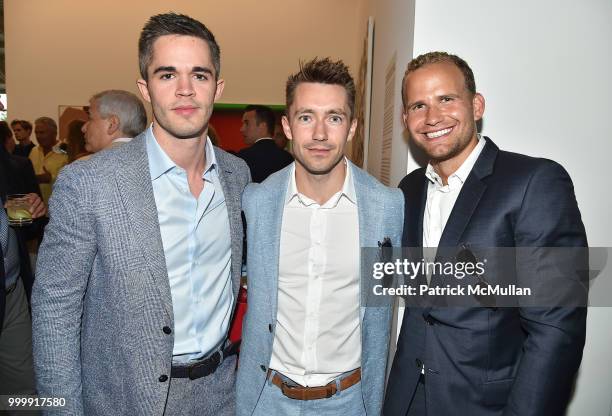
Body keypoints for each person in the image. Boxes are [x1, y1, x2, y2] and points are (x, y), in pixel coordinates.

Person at [32, 12, 250, 415]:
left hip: (223, 394)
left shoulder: (238, 175)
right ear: (145, 88)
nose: (185, 90)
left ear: (217, 87)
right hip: (124, 399)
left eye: (199, 75)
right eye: (167, 75)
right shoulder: (90, 182)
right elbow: (54, 309)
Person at [383, 52, 588, 416]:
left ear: (476, 105)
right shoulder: (409, 189)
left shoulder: (534, 183)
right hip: (408, 399)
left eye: (446, 99)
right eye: (418, 105)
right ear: (405, 119)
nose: (432, 117)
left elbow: (556, 329)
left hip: (486, 406)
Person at [236, 57, 403, 416]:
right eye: (306, 117)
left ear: (353, 127)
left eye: (335, 117)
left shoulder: (385, 208)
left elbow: (392, 299)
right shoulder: (257, 202)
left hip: (350, 402)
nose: (320, 134)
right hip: (266, 399)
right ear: (288, 126)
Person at [0, 120, 46, 403]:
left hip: (12, 289)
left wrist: (33, 211)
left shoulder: (12, 165)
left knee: (25, 392)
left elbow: (23, 225)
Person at [81, 89, 147, 157]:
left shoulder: (84, 166)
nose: (83, 128)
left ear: (112, 125)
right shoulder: (153, 161)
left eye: (90, 119)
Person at [237, 104, 293, 182]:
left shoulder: (243, 158)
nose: (242, 129)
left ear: (263, 126)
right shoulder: (288, 159)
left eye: (247, 123)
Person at [28, 117, 68, 205]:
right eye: (36, 133)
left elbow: (72, 181)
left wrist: (51, 178)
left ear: (54, 133)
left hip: (58, 208)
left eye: (42, 132)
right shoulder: (34, 151)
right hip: (35, 208)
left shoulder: (66, 152)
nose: (38, 136)